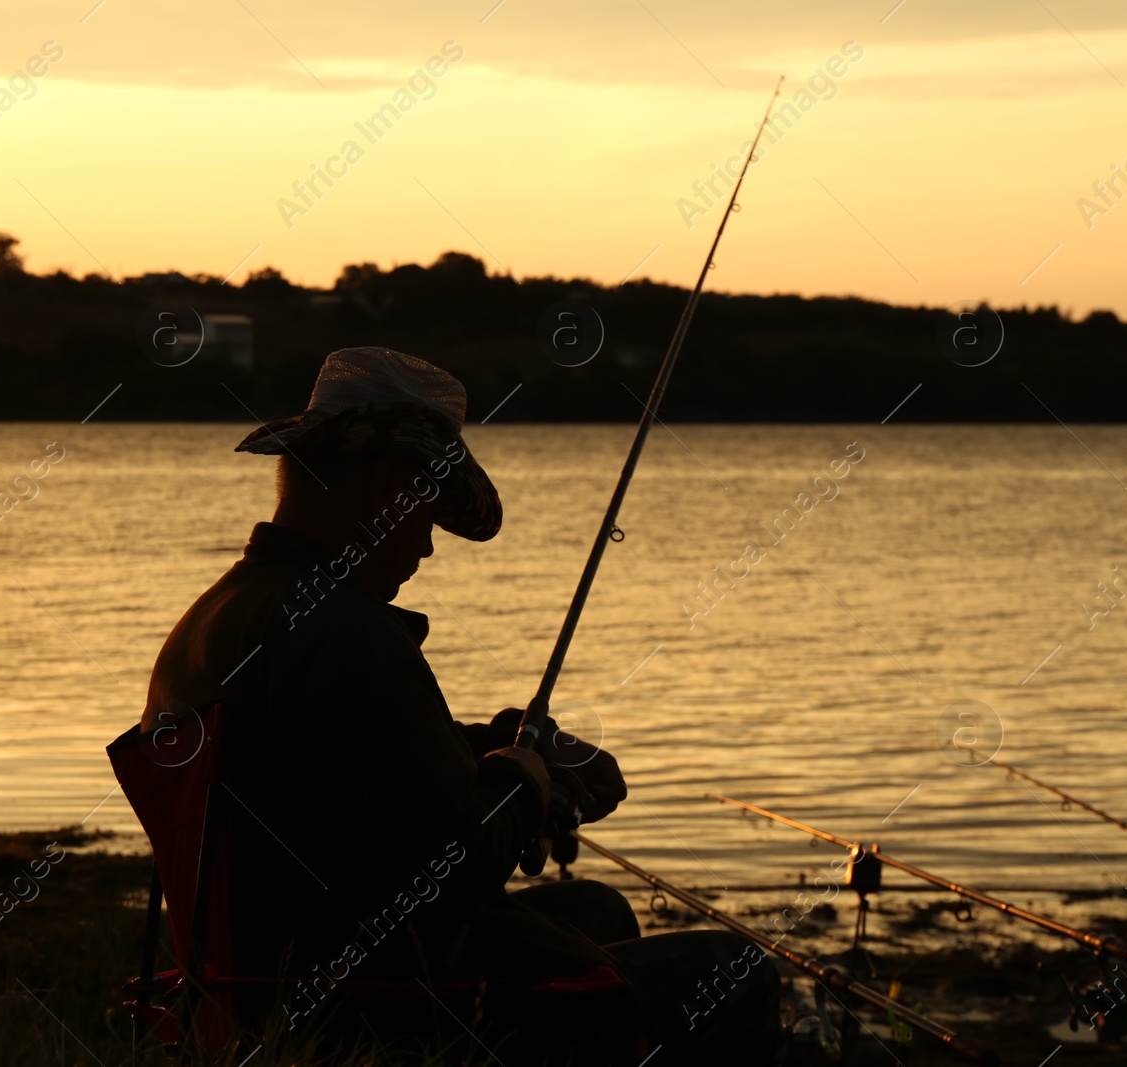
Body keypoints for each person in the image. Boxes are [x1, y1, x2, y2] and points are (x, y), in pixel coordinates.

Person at [142, 347, 780, 1062]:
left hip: (266, 978)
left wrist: (509, 745)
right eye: (430, 514)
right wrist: (524, 786)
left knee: (599, 909)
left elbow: (352, 763)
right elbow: (444, 874)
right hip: (377, 1011)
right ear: (389, 489)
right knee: (740, 969)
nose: (428, 547)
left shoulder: (223, 616)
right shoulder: (347, 634)